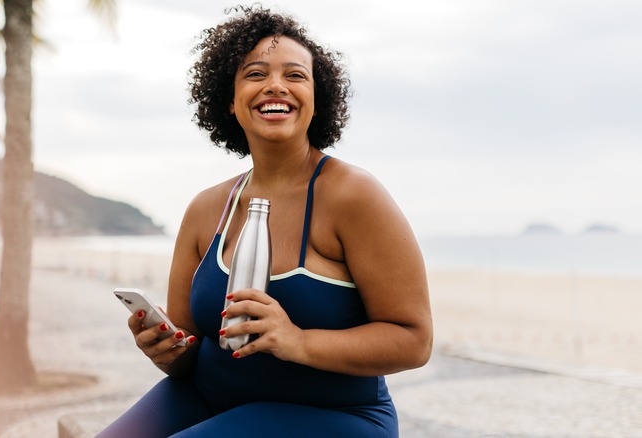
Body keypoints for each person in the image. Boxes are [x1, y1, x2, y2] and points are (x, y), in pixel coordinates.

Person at [98, 5, 432, 437]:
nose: (276, 85)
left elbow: (414, 339)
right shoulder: (207, 208)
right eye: (255, 74)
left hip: (337, 417)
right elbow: (186, 352)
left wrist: (298, 340)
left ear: (317, 100)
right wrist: (164, 349)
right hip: (207, 396)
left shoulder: (354, 195)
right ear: (231, 102)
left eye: (295, 75)